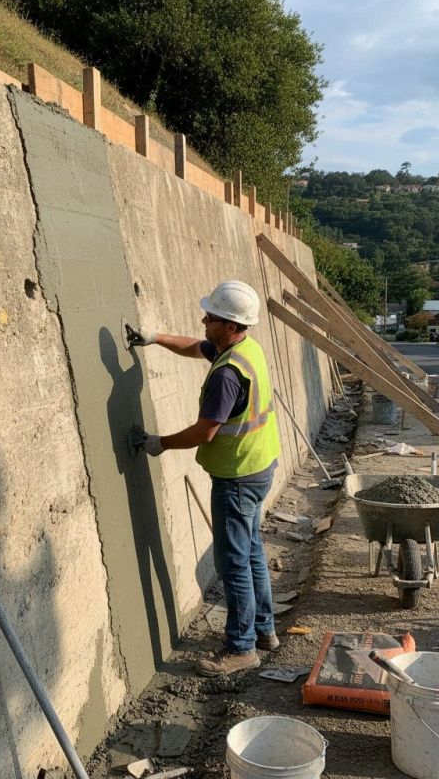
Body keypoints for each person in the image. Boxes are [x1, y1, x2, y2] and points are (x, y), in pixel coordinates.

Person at [126, 280, 281, 676]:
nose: (203, 320)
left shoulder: (228, 375)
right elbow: (196, 347)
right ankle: (263, 630)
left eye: (211, 317)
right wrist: (154, 338)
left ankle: (241, 647)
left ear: (230, 325)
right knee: (250, 551)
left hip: (237, 477)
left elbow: (204, 431)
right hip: (259, 466)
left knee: (232, 562)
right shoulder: (246, 348)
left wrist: (160, 443)